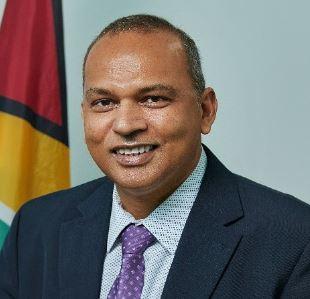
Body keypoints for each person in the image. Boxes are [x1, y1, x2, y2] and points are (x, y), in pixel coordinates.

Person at [1, 14, 310, 299]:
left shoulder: (295, 240)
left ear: (205, 110)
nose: (125, 125)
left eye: (153, 99)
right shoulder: (36, 227)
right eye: (104, 102)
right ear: (84, 114)